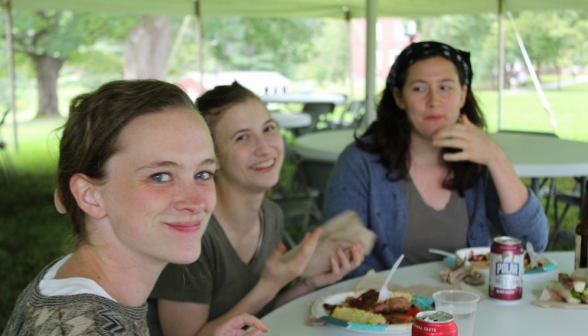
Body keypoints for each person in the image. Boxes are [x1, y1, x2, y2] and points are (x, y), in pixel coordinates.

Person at [3, 80, 267, 336]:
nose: (196, 202)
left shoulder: (65, 278)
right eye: (161, 176)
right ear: (90, 196)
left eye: (203, 174)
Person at [148, 82, 365, 336]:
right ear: (212, 157)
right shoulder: (191, 229)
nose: (264, 147)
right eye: (242, 137)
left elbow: (261, 315)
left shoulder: (270, 214)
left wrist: (309, 283)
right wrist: (269, 284)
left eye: (268, 128)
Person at [323, 41, 550, 277]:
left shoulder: (479, 159)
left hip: (471, 303)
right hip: (390, 307)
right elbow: (339, 258)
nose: (434, 101)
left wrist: (497, 158)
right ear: (400, 98)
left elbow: (532, 244)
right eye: (419, 88)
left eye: (445, 87)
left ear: (463, 95)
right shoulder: (360, 162)